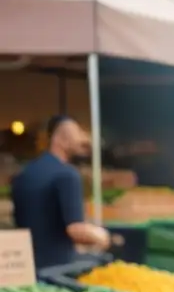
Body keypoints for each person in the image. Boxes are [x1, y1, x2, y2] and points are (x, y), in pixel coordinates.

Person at [12, 115, 110, 269]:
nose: (82, 141)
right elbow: (75, 230)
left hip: (26, 265)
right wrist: (102, 236)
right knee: (107, 261)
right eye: (78, 134)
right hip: (58, 267)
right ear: (63, 138)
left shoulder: (24, 173)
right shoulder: (67, 174)